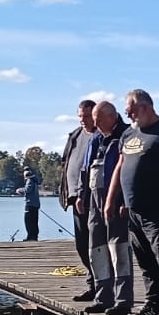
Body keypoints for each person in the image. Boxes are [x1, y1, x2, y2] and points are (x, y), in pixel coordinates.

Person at [105, 89, 159, 315]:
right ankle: (153, 303)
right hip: (133, 208)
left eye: (130, 111)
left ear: (145, 107)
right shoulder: (128, 133)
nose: (128, 116)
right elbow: (120, 166)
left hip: (158, 207)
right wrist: (113, 199)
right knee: (144, 260)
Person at [78, 100, 133, 315]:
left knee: (119, 250)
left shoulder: (126, 136)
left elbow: (127, 172)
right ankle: (103, 297)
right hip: (94, 200)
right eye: (95, 121)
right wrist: (82, 196)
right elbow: (85, 169)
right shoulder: (96, 139)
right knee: (97, 250)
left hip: (116, 201)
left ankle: (123, 299)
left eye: (100, 120)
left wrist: (124, 201)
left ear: (113, 116)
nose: (97, 125)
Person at [60, 99, 98, 298]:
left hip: (95, 199)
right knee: (82, 245)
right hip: (76, 199)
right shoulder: (75, 135)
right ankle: (92, 283)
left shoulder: (102, 136)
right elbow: (67, 163)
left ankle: (101, 287)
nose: (83, 120)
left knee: (97, 246)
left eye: (87, 116)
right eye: (80, 116)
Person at [22, 168, 41, 241]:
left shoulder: (30, 180)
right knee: (34, 221)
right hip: (36, 204)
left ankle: (30, 236)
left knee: (28, 221)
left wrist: (20, 190)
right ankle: (34, 236)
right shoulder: (35, 181)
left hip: (30, 204)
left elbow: (28, 190)